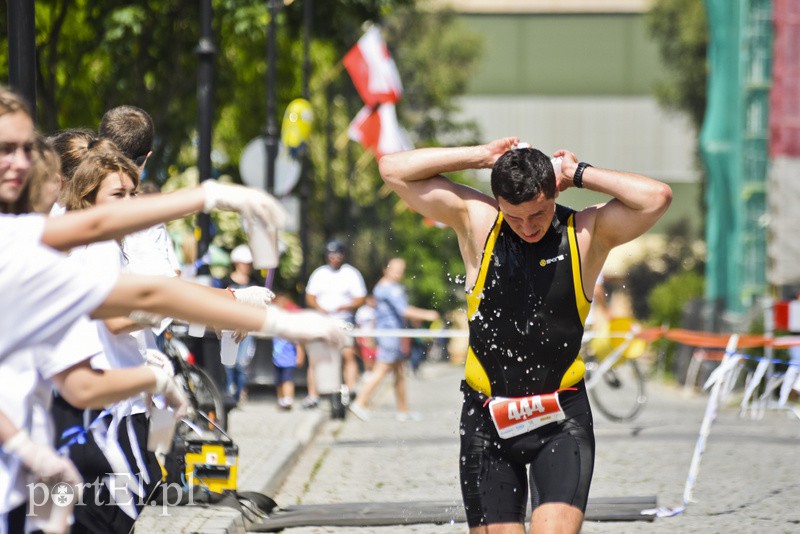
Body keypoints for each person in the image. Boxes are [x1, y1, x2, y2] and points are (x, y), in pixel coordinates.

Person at [379, 138, 672, 533]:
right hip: (487, 420)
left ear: (554, 194)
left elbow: (656, 198)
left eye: (538, 213)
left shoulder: (584, 234)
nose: (528, 227)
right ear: (499, 203)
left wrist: (575, 172)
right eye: (514, 216)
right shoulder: (479, 223)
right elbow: (392, 169)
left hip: (561, 419)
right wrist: (481, 156)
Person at [349, 258, 439, 422]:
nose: (398, 273)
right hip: (389, 335)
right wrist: (428, 314)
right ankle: (359, 403)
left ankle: (403, 410)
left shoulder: (387, 287)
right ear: (386, 269)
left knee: (399, 372)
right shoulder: (388, 288)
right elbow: (404, 310)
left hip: (393, 334)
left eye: (401, 270)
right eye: (395, 269)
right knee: (381, 369)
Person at [304, 239, 367, 405]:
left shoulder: (351, 273)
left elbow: (360, 298)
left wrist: (346, 306)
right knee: (316, 356)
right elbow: (310, 297)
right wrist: (319, 308)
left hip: (343, 319)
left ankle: (351, 391)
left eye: (338, 254)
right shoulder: (319, 273)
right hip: (323, 320)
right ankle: (313, 395)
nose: (334, 257)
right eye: (331, 254)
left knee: (347, 354)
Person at [220, 244, 266, 403]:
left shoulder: (255, 282)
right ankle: (229, 391)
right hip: (228, 326)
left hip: (248, 327)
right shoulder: (225, 281)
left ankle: (239, 393)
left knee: (242, 362)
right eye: (245, 263)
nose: (247, 267)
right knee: (228, 362)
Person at [271, 293, 306, 410]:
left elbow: (298, 344)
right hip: (277, 359)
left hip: (289, 359)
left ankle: (288, 399)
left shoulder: (290, 326)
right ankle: (281, 399)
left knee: (287, 380)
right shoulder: (275, 325)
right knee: (279, 381)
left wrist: (300, 356)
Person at [354, 294, 378, 375]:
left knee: (375, 356)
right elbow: (358, 324)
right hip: (365, 335)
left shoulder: (378, 309)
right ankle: (368, 372)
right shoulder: (362, 311)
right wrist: (358, 337)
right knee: (367, 356)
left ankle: (374, 373)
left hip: (376, 336)